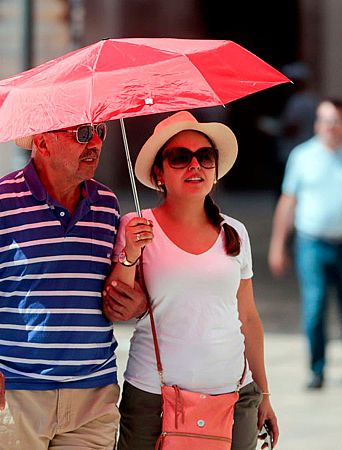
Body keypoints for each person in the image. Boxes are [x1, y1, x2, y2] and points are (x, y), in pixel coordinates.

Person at [0, 122, 144, 449]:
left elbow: (115, 292)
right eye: (82, 134)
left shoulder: (107, 204)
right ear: (43, 143)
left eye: (100, 131)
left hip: (92, 393)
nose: (95, 144)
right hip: (14, 395)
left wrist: (134, 299)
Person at [104, 111, 279, 450]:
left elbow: (248, 318)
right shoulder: (137, 227)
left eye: (205, 157)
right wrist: (130, 255)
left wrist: (264, 393)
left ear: (214, 171)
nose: (194, 166)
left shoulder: (234, 232)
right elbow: (115, 305)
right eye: (180, 158)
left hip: (235, 395)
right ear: (159, 173)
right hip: (154, 398)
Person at [268, 99, 342, 389]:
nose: (329, 127)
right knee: (315, 305)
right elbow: (288, 201)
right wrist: (277, 244)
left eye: (336, 120)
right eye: (324, 120)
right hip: (312, 244)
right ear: (316, 124)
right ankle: (317, 369)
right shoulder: (303, 155)